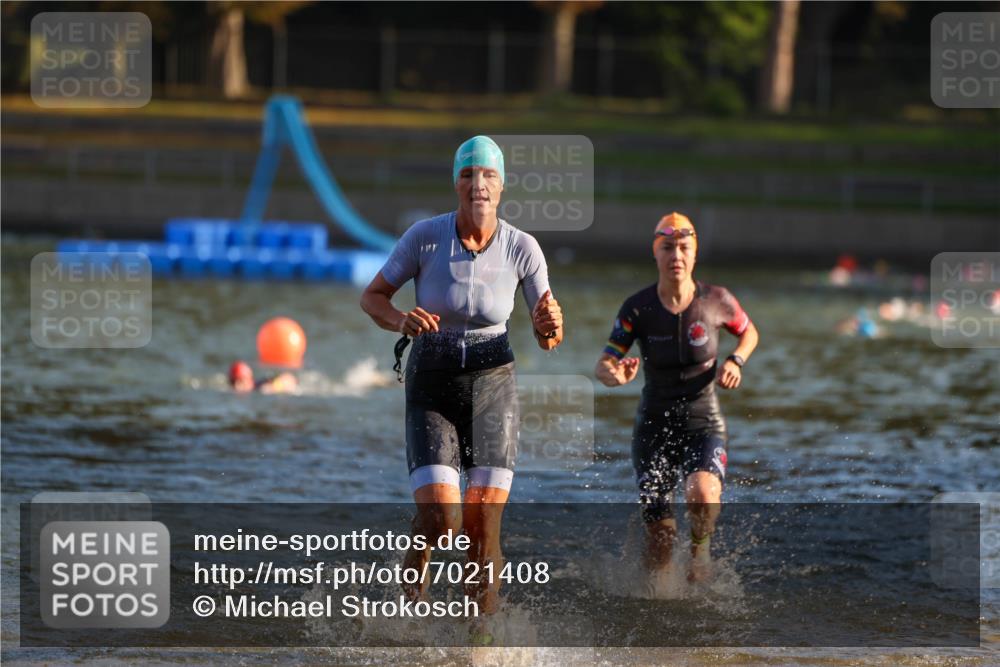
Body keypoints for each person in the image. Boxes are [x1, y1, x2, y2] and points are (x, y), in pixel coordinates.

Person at [360, 135, 563, 620]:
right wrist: (401, 320)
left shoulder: (523, 247)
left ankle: (481, 641)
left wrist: (549, 324)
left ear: (502, 185)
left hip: (494, 386)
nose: (478, 185)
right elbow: (373, 297)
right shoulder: (424, 237)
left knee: (481, 527)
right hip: (432, 383)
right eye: (469, 175)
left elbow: (548, 335)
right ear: (456, 183)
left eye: (488, 175)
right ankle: (410, 612)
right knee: (442, 521)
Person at [594, 212, 758, 583]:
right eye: (667, 248)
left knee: (702, 495)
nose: (676, 256)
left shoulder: (717, 299)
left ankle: (701, 547)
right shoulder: (638, 308)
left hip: (704, 421)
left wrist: (736, 360)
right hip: (654, 426)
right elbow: (606, 361)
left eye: (684, 247)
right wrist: (613, 375)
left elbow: (749, 333)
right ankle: (657, 605)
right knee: (661, 542)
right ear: (655, 253)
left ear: (695, 253)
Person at [227, 360, 298, 394]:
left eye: (240, 381)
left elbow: (289, 378)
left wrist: (276, 387)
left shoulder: (262, 385)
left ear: (248, 380)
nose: (236, 386)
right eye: (233, 382)